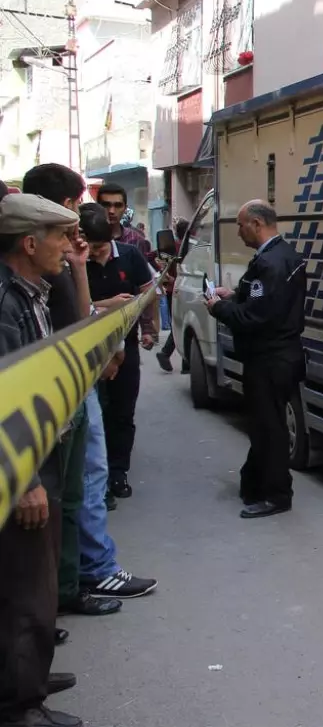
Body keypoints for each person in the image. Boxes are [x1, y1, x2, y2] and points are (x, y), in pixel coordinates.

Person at [23, 167, 159, 607]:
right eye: (72, 205)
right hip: (62, 384)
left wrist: (79, 268)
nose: (77, 222)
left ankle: (87, 571)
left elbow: (79, 317)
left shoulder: (68, 255)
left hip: (79, 376)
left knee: (88, 477)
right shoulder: (30, 267)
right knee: (72, 484)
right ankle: (77, 579)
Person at [0, 193, 85, 727]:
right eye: (58, 237)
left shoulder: (33, 291)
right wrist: (24, 478)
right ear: (29, 244)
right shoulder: (5, 302)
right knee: (24, 588)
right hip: (21, 467)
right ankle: (18, 704)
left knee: (36, 580)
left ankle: (28, 672)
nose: (68, 246)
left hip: (43, 453)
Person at [206, 200, 307, 519]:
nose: (238, 231)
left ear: (257, 224)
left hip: (269, 359)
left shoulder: (269, 264)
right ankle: (254, 484)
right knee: (267, 425)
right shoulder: (284, 255)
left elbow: (257, 317)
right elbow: (264, 302)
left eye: (240, 224)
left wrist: (218, 308)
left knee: (270, 428)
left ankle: (277, 495)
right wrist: (233, 296)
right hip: (281, 356)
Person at [79, 204, 158, 502]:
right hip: (87, 353)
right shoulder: (74, 263)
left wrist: (149, 329)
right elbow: (77, 310)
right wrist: (108, 304)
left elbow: (148, 293)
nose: (96, 254)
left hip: (127, 348)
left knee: (122, 413)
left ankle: (117, 473)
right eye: (92, 248)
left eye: (100, 247)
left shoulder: (130, 255)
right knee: (92, 416)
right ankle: (95, 482)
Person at [154, 218, 188, 372]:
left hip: (172, 289)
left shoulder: (171, 246)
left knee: (179, 322)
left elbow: (153, 256)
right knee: (182, 323)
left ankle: (180, 361)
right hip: (181, 288)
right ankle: (171, 355)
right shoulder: (186, 247)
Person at [94, 184, 152, 261]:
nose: (111, 211)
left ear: (125, 209)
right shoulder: (87, 239)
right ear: (97, 206)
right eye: (106, 205)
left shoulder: (136, 240)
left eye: (118, 205)